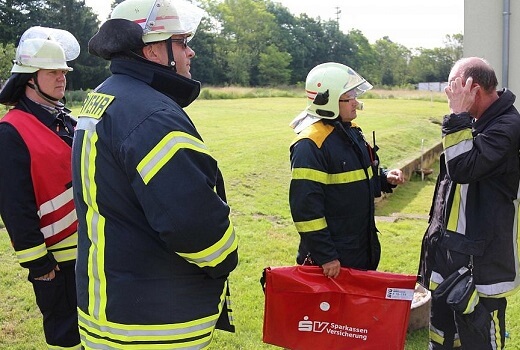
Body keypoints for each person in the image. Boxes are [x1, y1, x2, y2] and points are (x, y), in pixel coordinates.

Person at [71, 0, 239, 348]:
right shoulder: (153, 115)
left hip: (113, 305)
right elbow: (193, 225)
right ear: (152, 51)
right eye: (181, 42)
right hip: (154, 323)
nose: (190, 52)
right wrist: (225, 258)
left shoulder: (105, 96)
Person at [418, 57, 520, 349]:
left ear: (472, 88)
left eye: (453, 87)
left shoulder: (507, 127)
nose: (449, 95)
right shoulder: (475, 121)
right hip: (449, 254)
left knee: (476, 337)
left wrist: (456, 117)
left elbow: (463, 168)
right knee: (441, 335)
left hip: (480, 261)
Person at [0, 26, 81, 349]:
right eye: (53, 72)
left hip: (90, 254)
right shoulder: (10, 132)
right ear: (29, 78)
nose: (62, 78)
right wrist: (40, 266)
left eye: (64, 71)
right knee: (69, 338)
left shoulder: (66, 120)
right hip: (56, 264)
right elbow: (15, 208)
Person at [288, 62, 404, 279]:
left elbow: (358, 177)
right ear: (327, 100)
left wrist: (384, 178)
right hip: (334, 260)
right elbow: (306, 210)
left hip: (360, 247)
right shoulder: (310, 145)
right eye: (349, 98)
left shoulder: (351, 132)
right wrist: (326, 255)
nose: (356, 103)